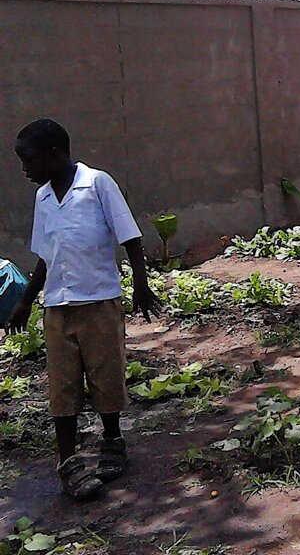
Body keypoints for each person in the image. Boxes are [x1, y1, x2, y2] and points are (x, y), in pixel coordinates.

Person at [6, 119, 163, 500]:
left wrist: (140, 285)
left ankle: (112, 440)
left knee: (105, 375)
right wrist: (26, 301)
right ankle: (69, 463)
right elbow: (46, 255)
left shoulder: (97, 184)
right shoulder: (43, 198)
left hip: (99, 302)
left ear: (54, 154)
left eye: (29, 162)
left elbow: (130, 236)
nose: (25, 171)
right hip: (57, 306)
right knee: (62, 387)